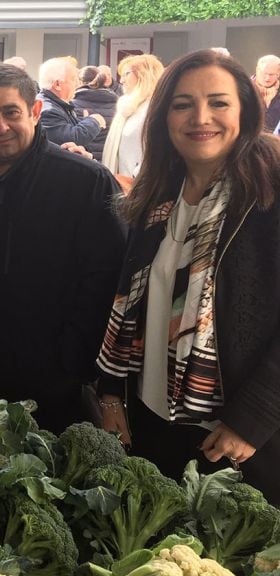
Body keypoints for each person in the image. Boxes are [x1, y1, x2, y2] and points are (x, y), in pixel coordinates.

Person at [96, 50, 280, 504]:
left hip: (236, 436)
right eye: (183, 104)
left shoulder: (271, 191)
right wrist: (111, 392)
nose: (201, 117)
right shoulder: (157, 194)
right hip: (154, 420)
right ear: (164, 116)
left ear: (245, 109)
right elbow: (127, 302)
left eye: (218, 102)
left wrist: (253, 417)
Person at [0, 62, 126, 433]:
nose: (0, 127)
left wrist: (73, 364)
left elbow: (107, 284)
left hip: (56, 387)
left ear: (35, 112)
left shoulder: (86, 183)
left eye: (11, 112)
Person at [102, 54, 164, 191]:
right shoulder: (128, 108)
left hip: (141, 188)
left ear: (144, 74)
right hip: (122, 186)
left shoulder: (156, 108)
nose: (121, 80)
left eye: (126, 74)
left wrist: (136, 178)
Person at [37, 57, 106, 147]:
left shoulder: (59, 104)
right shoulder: (48, 111)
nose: (78, 84)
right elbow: (70, 139)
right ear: (57, 84)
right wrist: (94, 121)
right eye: (73, 79)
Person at [71, 65, 118, 162]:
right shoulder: (117, 104)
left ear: (80, 81)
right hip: (109, 158)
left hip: (82, 159)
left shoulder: (72, 105)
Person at [253, 55, 280, 134]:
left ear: (278, 73)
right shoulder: (243, 89)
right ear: (257, 70)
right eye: (264, 73)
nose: (267, 78)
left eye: (271, 75)